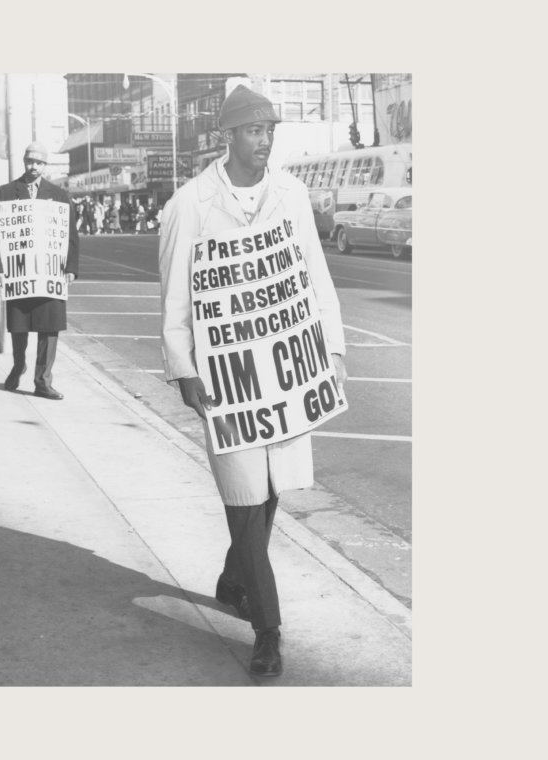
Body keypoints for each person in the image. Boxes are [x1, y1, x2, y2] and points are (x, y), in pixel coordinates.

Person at [158, 85, 347, 677]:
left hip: (286, 369)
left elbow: (314, 274)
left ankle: (233, 576)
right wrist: (184, 368)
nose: (264, 141)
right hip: (228, 376)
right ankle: (268, 631)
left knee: (269, 492)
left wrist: (333, 348)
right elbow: (175, 299)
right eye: (254, 130)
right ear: (229, 136)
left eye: (271, 131)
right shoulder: (189, 204)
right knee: (243, 496)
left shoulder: (290, 194)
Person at [0, 142, 80, 400]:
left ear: (44, 165)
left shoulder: (59, 195)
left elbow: (70, 235)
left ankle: (43, 381)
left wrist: (71, 268)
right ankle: (18, 366)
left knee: (49, 328)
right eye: (30, 162)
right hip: (19, 274)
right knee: (19, 325)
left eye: (39, 163)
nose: (34, 167)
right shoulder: (5, 192)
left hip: (50, 273)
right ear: (24, 162)